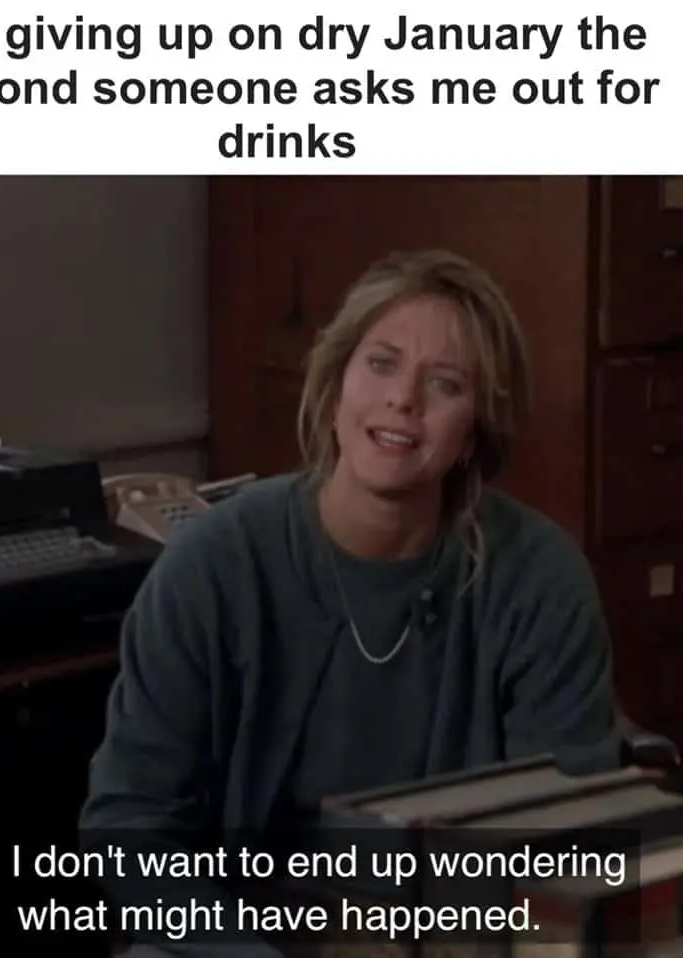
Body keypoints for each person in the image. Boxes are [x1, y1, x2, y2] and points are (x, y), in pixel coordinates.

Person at [79, 249, 621, 955]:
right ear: (336, 384)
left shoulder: (539, 579)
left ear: (474, 432)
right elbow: (129, 825)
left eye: (445, 383)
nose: (403, 399)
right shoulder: (212, 566)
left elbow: (563, 844)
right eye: (381, 364)